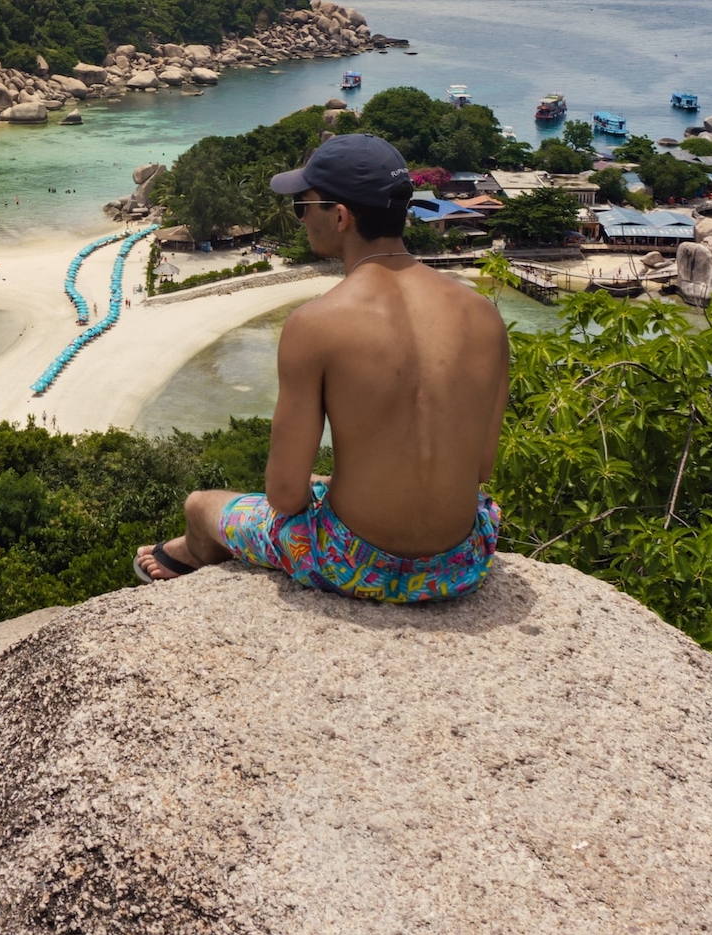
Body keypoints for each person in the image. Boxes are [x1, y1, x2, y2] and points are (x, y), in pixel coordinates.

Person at [133, 134, 511, 603]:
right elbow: (479, 467)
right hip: (461, 562)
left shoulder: (315, 323)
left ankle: (190, 550)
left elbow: (286, 498)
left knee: (202, 504)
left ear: (340, 216)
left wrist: (326, 489)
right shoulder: (484, 316)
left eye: (302, 205)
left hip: (353, 562)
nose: (300, 218)